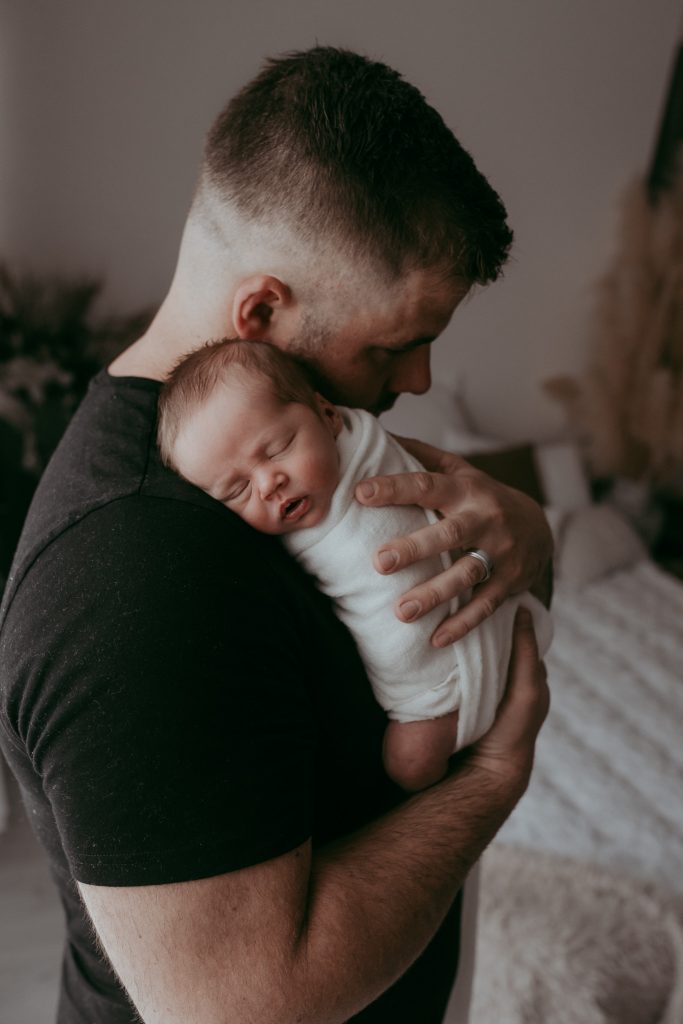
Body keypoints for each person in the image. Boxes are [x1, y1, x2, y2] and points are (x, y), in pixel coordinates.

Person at [0, 46, 552, 1024]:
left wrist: (527, 530)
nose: (420, 378)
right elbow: (248, 1005)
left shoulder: (313, 443)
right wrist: (498, 774)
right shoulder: (124, 577)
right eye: (393, 345)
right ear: (259, 314)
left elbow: (485, 521)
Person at [158, 337, 554, 793]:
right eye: (236, 490)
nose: (269, 483)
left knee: (527, 635)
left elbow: (478, 507)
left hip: (493, 620)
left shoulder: (371, 452)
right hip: (426, 700)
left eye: (278, 448)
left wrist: (533, 523)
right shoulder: (259, 549)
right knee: (409, 764)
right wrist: (496, 772)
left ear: (328, 416)